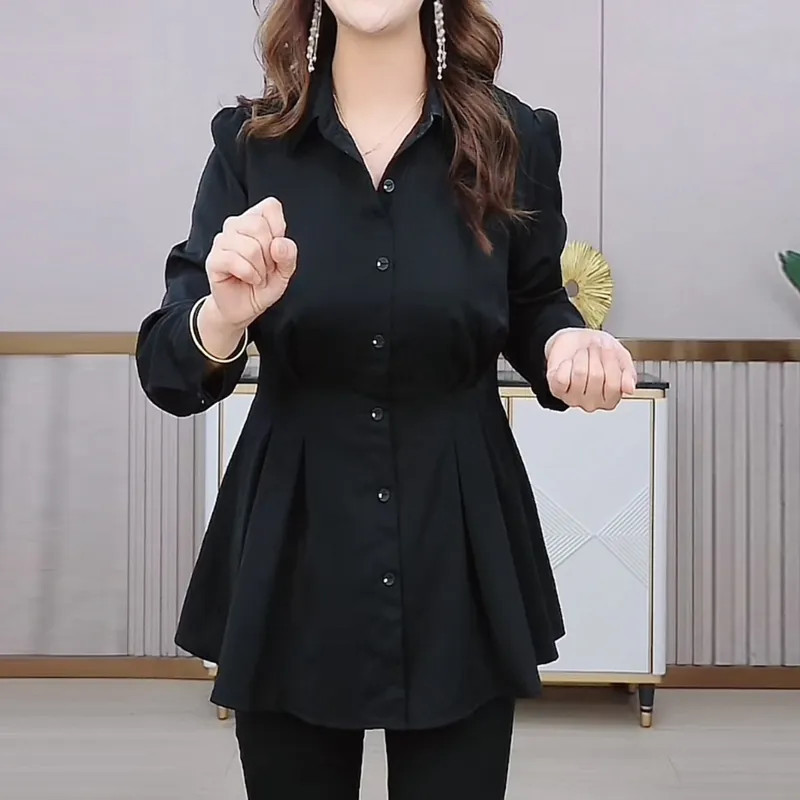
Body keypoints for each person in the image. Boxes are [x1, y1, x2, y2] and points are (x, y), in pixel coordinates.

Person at [136, 0, 638, 797]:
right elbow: (167, 364)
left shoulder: (516, 136)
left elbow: (535, 300)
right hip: (294, 531)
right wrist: (224, 316)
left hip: (460, 530)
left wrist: (564, 343)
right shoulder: (249, 147)